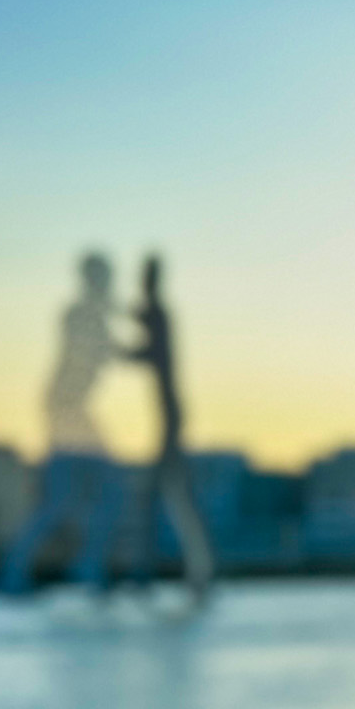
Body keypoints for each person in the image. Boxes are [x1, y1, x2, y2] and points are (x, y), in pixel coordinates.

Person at [0, 252, 127, 593]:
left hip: (73, 411)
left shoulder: (93, 314)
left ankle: (79, 565)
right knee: (70, 501)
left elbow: (112, 348)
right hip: (66, 411)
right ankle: (23, 571)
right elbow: (104, 349)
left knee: (85, 498)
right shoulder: (81, 314)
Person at [128, 253, 214, 601]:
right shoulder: (154, 313)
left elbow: (151, 355)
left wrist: (112, 349)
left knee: (164, 495)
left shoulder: (158, 314)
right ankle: (194, 573)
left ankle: (154, 575)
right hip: (168, 415)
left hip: (170, 417)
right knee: (172, 495)